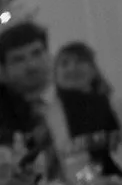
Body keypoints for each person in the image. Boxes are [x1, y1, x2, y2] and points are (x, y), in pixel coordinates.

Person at [1, 22, 87, 171]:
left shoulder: (84, 103)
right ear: (3, 71)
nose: (31, 65)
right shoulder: (3, 118)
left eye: (37, 53)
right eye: (18, 59)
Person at [53, 41, 122, 158]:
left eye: (79, 61)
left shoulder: (114, 106)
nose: (72, 68)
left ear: (93, 70)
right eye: (64, 63)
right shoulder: (51, 114)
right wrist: (88, 177)